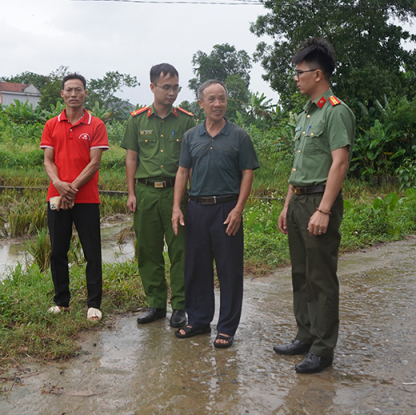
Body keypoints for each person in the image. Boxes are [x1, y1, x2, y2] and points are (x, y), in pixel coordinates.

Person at [273, 38, 355, 373]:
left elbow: (339, 163)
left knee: (321, 277)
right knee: (300, 274)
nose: (296, 78)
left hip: (320, 202)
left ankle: (323, 349)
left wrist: (323, 209)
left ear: (317, 74)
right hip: (299, 200)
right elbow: (299, 167)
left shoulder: (336, 111)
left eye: (300, 72)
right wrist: (286, 205)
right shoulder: (306, 115)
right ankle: (305, 335)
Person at [171, 79, 259, 348]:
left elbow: (247, 173)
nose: (217, 104)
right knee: (196, 268)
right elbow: (183, 172)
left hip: (226, 209)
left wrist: (238, 210)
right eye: (211, 99)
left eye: (221, 98)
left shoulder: (239, 136)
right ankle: (198, 321)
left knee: (229, 270)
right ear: (201, 104)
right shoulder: (191, 137)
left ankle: (226, 328)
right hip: (197, 208)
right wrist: (177, 207)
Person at [120, 63, 196, 327]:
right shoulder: (137, 119)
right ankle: (155, 304)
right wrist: (131, 193)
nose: (172, 92)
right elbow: (131, 158)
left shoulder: (186, 120)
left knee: (180, 250)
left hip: (176, 194)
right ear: (152, 87)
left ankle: (179, 306)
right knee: (149, 251)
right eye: (166, 87)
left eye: (176, 87)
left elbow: (191, 163)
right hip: (145, 193)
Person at [40, 73, 109, 322]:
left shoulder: (96, 125)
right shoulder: (51, 124)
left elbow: (95, 163)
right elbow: (48, 159)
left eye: (78, 90)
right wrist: (59, 185)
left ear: (85, 94)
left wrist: (72, 188)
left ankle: (94, 304)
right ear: (62, 94)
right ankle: (61, 301)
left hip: (87, 198)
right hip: (56, 197)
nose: (73, 94)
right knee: (58, 249)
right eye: (69, 90)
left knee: (92, 251)